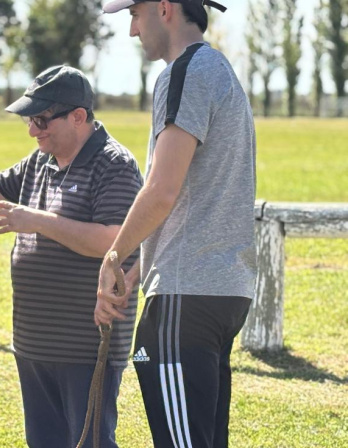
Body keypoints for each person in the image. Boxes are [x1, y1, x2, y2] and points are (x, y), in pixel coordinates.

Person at [0, 65, 143, 448]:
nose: (33, 130)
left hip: (86, 348)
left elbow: (114, 241)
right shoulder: (39, 160)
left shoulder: (114, 164)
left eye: (41, 119)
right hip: (33, 347)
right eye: (30, 121)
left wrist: (36, 220)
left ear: (78, 117)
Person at [97, 1, 257, 447]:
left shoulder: (184, 73)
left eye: (134, 13)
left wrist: (114, 256)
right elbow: (197, 198)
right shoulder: (220, 71)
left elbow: (162, 190)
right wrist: (137, 272)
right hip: (220, 293)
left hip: (185, 300)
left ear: (163, 8)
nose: (131, 29)